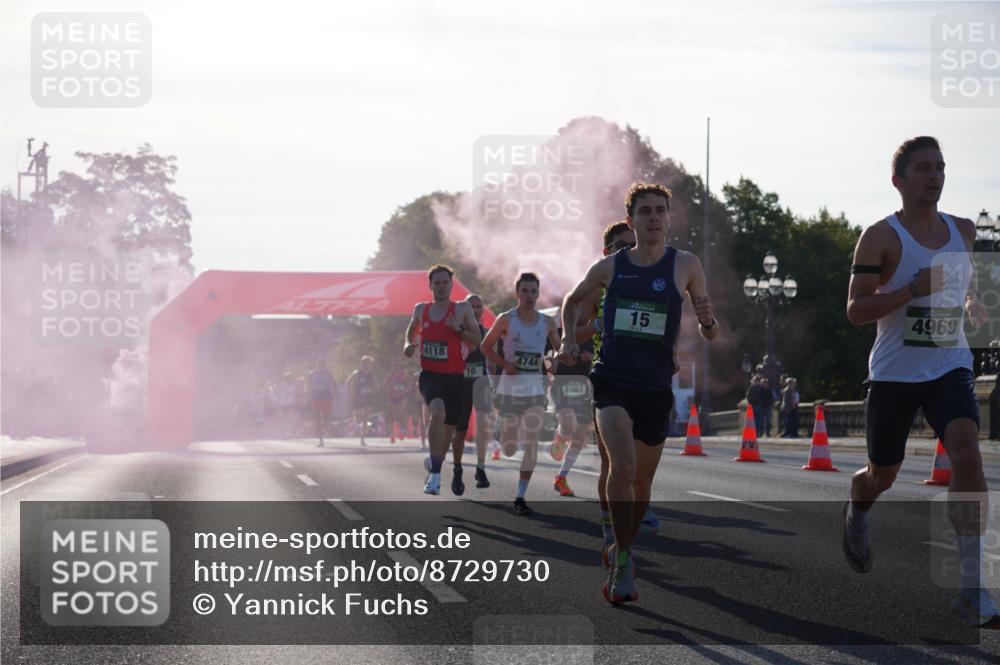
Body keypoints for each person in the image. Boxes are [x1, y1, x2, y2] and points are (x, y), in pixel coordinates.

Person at [843, 136, 997, 627]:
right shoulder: (881, 237)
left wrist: (972, 304)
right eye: (924, 168)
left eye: (941, 167)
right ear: (899, 181)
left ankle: (972, 588)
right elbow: (855, 310)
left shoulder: (964, 230)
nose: (935, 176)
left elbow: (966, 280)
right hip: (894, 373)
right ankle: (858, 510)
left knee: (967, 451)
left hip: (948, 365)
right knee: (881, 475)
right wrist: (910, 289)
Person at [560, 182, 719, 604]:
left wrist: (707, 322)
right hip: (612, 379)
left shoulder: (685, 265)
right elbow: (572, 301)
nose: (653, 218)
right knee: (624, 467)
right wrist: (565, 342)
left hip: (655, 385)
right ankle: (625, 564)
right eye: (644, 211)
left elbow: (711, 330)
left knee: (643, 484)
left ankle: (618, 546)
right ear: (631, 220)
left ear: (669, 218)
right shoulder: (611, 267)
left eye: (659, 211)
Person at [481, 272, 561, 516]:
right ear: (517, 294)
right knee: (508, 448)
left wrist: (554, 361)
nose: (529, 296)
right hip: (509, 390)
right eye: (524, 291)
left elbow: (559, 349)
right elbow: (485, 346)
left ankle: (520, 496)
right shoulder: (506, 319)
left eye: (533, 292)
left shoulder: (546, 323)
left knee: (532, 440)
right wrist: (504, 365)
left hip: (535, 389)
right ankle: (502, 431)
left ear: (538, 294)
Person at [403, 264, 481, 495]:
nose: (441, 286)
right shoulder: (421, 309)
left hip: (456, 378)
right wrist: (408, 344)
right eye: (436, 282)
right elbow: (410, 330)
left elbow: (477, 339)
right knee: (437, 413)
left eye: (445, 282)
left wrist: (458, 330)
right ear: (430, 286)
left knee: (448, 431)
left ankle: (434, 463)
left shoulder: (462, 309)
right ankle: (435, 476)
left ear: (451, 284)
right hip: (430, 375)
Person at [451, 294, 493, 493]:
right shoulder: (455, 331)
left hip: (481, 382)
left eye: (478, 306)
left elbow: (491, 359)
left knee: (484, 425)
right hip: (460, 385)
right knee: (460, 430)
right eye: (471, 306)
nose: (475, 309)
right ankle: (457, 470)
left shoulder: (486, 332)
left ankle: (481, 468)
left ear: (482, 310)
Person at [346, 356, 378, 447]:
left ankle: (362, 438)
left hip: (367, 398)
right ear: (362, 364)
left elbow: (376, 385)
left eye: (368, 363)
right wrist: (350, 393)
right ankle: (359, 427)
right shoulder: (357, 373)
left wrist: (372, 389)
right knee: (358, 417)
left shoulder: (372, 374)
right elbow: (347, 382)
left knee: (366, 418)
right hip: (357, 398)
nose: (366, 365)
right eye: (365, 363)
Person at [308, 359, 336, 447]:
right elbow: (308, 385)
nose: (321, 367)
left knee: (326, 419)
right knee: (318, 419)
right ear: (317, 365)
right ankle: (320, 439)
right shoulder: (313, 374)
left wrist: (333, 395)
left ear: (325, 365)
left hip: (326, 397)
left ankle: (324, 427)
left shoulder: (328, 374)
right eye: (319, 365)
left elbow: (335, 385)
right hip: (316, 398)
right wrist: (309, 395)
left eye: (323, 365)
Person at [384, 359, 411, 443]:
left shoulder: (404, 375)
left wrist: (405, 390)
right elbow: (386, 385)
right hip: (392, 398)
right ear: (392, 367)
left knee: (401, 413)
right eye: (394, 366)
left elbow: (409, 384)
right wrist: (388, 398)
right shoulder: (390, 375)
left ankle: (402, 430)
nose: (396, 367)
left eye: (397, 366)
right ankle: (392, 434)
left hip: (401, 397)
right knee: (392, 415)